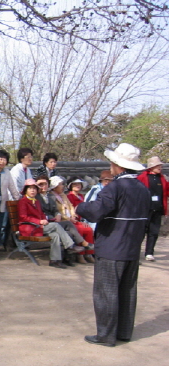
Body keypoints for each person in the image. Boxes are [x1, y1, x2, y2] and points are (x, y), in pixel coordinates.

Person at [76, 143, 151, 347]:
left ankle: (106, 335)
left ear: (118, 165)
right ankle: (124, 331)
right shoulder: (143, 189)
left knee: (106, 291)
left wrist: (81, 206)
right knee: (127, 290)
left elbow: (96, 211)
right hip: (132, 247)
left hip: (111, 247)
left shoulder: (116, 187)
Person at [17, 179, 84, 269]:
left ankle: (54, 260)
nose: (32, 190)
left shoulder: (36, 201)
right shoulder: (23, 201)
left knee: (55, 235)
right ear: (26, 190)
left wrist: (45, 219)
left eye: (34, 189)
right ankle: (69, 246)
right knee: (56, 226)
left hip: (39, 227)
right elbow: (23, 217)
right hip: (29, 228)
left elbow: (41, 214)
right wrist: (39, 221)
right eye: (30, 188)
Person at [35, 176, 93, 267]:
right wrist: (52, 217)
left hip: (53, 222)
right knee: (66, 230)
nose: (43, 186)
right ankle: (72, 247)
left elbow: (55, 209)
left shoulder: (50, 196)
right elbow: (39, 213)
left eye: (45, 184)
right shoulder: (36, 197)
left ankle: (60, 259)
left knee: (65, 228)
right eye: (40, 185)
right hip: (43, 223)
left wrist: (57, 214)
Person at [49, 176, 95, 264]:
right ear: (55, 186)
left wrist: (73, 216)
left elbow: (70, 207)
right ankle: (79, 255)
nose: (63, 186)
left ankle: (89, 253)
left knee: (88, 229)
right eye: (60, 185)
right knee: (79, 229)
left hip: (72, 220)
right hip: (63, 221)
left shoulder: (63, 196)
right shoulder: (52, 197)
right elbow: (57, 212)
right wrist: (69, 218)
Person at [137, 156, 168, 261]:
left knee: (154, 232)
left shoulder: (162, 178)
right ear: (152, 166)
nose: (160, 167)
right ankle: (136, 252)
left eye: (160, 165)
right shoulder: (142, 177)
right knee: (140, 231)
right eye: (158, 165)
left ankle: (149, 252)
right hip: (145, 209)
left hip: (158, 209)